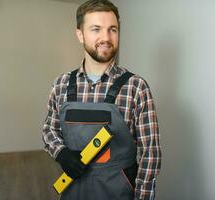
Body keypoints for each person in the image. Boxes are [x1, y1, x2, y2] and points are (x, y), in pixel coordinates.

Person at [42, 0, 161, 199]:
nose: (106, 37)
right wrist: (61, 152)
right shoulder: (61, 84)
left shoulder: (136, 87)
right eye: (96, 29)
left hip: (118, 193)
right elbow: (49, 130)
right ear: (80, 34)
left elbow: (151, 155)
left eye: (112, 29)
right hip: (73, 192)